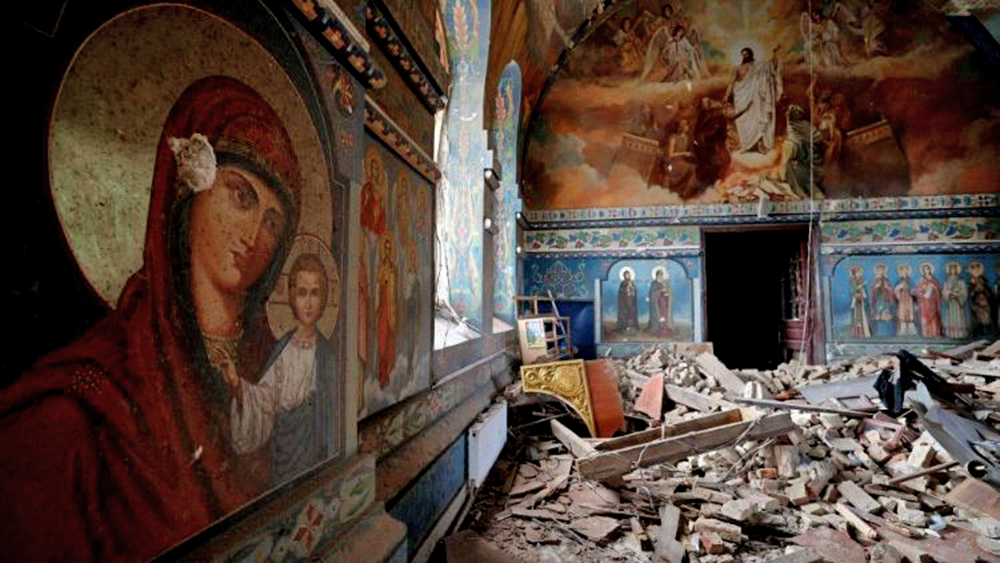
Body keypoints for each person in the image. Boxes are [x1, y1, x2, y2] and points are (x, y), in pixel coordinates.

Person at [0, 76, 301, 560]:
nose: (254, 233)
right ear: (188, 191)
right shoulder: (73, 419)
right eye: (241, 195)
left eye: (272, 221)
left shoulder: (273, 366)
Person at [229, 253, 335, 486]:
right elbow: (265, 400)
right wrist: (239, 387)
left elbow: (333, 416)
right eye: (302, 293)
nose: (308, 303)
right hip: (284, 456)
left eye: (315, 293)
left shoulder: (327, 356)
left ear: (324, 298)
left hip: (314, 455)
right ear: (291, 298)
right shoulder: (282, 349)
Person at [724, 46, 782, 154]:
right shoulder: (737, 68)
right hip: (742, 97)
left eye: (747, 54)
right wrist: (726, 96)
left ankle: (760, 144)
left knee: (758, 118)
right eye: (743, 54)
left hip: (756, 97)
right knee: (743, 120)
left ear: (751, 54)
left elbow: (772, 66)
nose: (745, 56)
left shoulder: (759, 66)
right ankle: (747, 145)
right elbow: (731, 82)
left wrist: (774, 53)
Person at [777, 105, 824, 199]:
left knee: (800, 190)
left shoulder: (791, 139)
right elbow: (818, 137)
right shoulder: (804, 128)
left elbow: (785, 165)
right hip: (806, 165)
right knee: (811, 189)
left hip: (801, 166)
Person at [377, 234, 398, 388]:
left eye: (389, 249)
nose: (387, 251)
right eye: (385, 248)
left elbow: (395, 291)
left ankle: (388, 373)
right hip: (382, 309)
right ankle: (382, 374)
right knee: (382, 342)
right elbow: (379, 286)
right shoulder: (382, 268)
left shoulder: (393, 269)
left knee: (390, 343)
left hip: (391, 310)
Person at [664, 118, 699, 198]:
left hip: (680, 161)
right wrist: (684, 153)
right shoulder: (673, 137)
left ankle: (685, 193)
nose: (687, 127)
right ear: (681, 127)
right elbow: (671, 154)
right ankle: (684, 193)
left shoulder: (686, 138)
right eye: (685, 125)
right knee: (691, 168)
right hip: (671, 162)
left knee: (694, 168)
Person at [943, 262, 970, 339]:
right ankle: (952, 334)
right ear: (949, 271)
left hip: (958, 302)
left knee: (959, 316)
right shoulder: (946, 281)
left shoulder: (961, 281)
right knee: (951, 317)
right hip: (951, 302)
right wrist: (949, 293)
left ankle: (960, 333)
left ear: (957, 270)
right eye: (951, 269)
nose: (953, 271)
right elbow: (944, 291)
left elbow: (964, 291)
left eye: (954, 269)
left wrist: (958, 294)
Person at [968, 261, 995, 337]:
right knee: (978, 318)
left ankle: (989, 331)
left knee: (987, 316)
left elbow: (989, 291)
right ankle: (979, 332)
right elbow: (970, 293)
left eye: (977, 269)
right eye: (974, 269)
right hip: (977, 302)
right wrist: (975, 291)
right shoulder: (971, 281)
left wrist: (984, 290)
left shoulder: (984, 280)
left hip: (985, 301)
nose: (976, 271)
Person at [917, 262, 943, 338]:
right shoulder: (921, 280)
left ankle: (935, 333)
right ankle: (926, 333)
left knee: (934, 316)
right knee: (925, 316)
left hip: (933, 301)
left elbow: (938, 291)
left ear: (930, 270)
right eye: (924, 269)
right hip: (924, 302)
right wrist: (923, 292)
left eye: (927, 269)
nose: (926, 271)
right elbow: (918, 291)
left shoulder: (934, 280)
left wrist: (934, 287)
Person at [870, 263, 895, 337]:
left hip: (886, 300)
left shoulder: (887, 280)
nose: (881, 271)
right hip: (878, 300)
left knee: (886, 313)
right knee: (879, 314)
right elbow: (872, 291)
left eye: (882, 270)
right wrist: (876, 287)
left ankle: (888, 332)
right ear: (877, 271)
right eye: (879, 270)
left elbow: (891, 290)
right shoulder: (875, 280)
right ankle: (879, 332)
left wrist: (887, 288)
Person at [647, 269, 673, 338]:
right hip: (657, 305)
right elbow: (652, 294)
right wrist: (660, 291)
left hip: (664, 303)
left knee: (664, 315)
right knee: (658, 316)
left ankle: (665, 327)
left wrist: (667, 293)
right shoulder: (654, 284)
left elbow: (669, 292)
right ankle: (657, 328)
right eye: (659, 275)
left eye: (661, 275)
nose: (660, 276)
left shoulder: (665, 283)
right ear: (656, 276)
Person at [894, 263, 918, 337]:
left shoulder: (910, 281)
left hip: (909, 299)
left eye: (905, 270)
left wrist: (911, 291)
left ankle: (911, 330)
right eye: (902, 271)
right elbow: (895, 291)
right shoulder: (899, 281)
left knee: (910, 313)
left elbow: (914, 290)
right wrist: (899, 288)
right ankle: (903, 330)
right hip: (902, 300)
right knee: (902, 313)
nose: (904, 272)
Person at [849, 265, 871, 338]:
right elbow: (853, 290)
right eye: (857, 272)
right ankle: (858, 333)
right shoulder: (852, 281)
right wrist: (859, 287)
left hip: (862, 300)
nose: (859, 274)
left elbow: (865, 291)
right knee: (857, 317)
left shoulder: (862, 280)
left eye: (860, 272)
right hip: (856, 301)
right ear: (854, 273)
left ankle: (865, 332)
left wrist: (863, 290)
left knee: (864, 315)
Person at [617, 269, 639, 334]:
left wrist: (632, 288)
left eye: (629, 274)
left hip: (631, 300)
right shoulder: (623, 283)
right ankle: (625, 326)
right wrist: (626, 288)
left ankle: (632, 326)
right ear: (624, 276)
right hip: (625, 301)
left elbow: (634, 291)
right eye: (626, 274)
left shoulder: (632, 282)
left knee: (631, 313)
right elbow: (621, 292)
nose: (628, 276)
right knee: (626, 313)